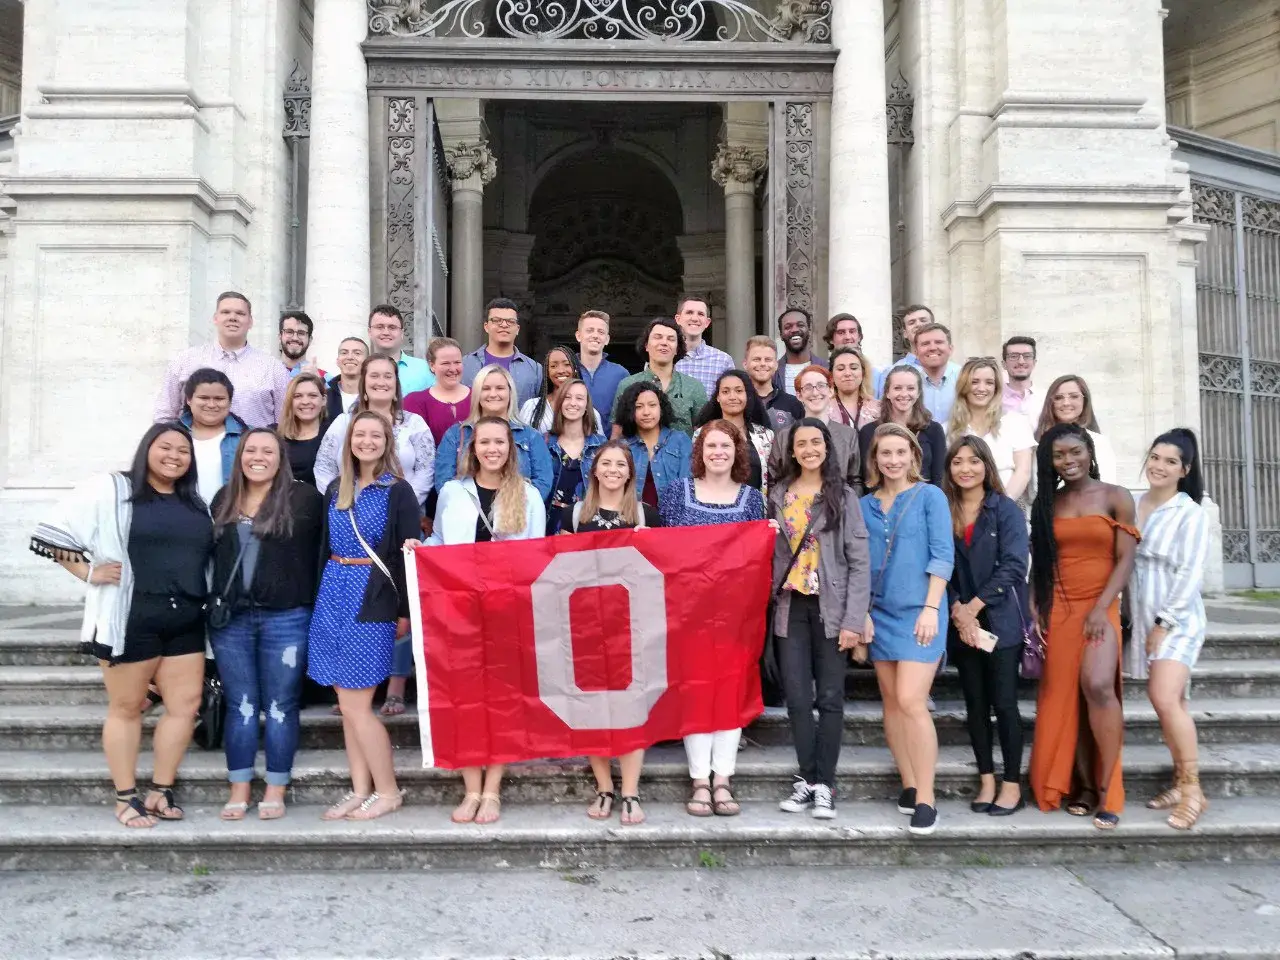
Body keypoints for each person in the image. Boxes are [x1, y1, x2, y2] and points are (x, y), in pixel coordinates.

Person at [30, 422, 214, 827]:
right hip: (131, 618)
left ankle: (161, 791)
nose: (174, 456)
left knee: (184, 708)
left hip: (185, 619)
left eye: (183, 450)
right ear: (147, 448)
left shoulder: (196, 504)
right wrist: (88, 572)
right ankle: (125, 797)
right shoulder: (113, 489)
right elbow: (55, 530)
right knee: (127, 707)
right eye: (165, 447)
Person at [429, 416, 546, 825]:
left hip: (506, 613)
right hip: (460, 612)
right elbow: (440, 543)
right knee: (464, 700)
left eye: (500, 442)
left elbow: (537, 559)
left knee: (501, 702)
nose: (493, 449)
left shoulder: (529, 495)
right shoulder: (451, 492)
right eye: (485, 442)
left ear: (510, 448)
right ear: (472, 448)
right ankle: (471, 788)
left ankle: (492, 790)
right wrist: (419, 547)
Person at [309, 411, 419, 821]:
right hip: (333, 592)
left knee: (357, 705)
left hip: (372, 598)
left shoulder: (399, 492)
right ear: (349, 440)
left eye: (376, 435)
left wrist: (404, 613)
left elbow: (409, 555)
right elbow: (324, 546)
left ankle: (388, 791)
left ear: (387, 442)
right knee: (345, 701)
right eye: (360, 434)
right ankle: (360, 789)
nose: (367, 441)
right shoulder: (337, 487)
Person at [208, 429, 324, 821]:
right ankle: (239, 786)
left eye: (268, 451)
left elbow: (323, 553)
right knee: (240, 705)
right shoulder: (223, 500)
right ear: (239, 456)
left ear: (281, 458)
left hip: (287, 617)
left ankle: (276, 786)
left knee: (279, 706)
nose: (258, 457)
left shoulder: (304, 499)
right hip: (231, 621)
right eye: (251, 450)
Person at [1028, 423, 1138, 830]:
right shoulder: (1047, 503)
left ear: (1089, 451)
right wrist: (1035, 603)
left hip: (1100, 605)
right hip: (1059, 606)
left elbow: (1125, 558)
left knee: (1097, 685)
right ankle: (1085, 787)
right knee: (1064, 698)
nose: (1068, 461)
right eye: (1059, 455)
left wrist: (1103, 606)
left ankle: (1110, 789)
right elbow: (1042, 561)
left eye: (1075, 452)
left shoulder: (1115, 496)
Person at [660, 420, 767, 818]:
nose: (718, 452)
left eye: (726, 445)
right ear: (700, 452)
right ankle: (699, 781)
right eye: (711, 445)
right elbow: (665, 550)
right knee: (696, 692)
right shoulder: (677, 494)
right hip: (688, 615)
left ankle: (723, 778)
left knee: (729, 692)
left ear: (737, 452)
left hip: (734, 616)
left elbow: (754, 557)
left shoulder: (752, 499)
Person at [770, 418, 870, 820]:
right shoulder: (778, 493)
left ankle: (826, 784)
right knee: (796, 697)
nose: (809, 449)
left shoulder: (843, 495)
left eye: (816, 442)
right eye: (801, 444)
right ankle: (807, 779)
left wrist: (854, 619)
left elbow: (860, 563)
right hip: (791, 606)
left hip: (831, 607)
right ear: (791, 451)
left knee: (830, 698)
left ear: (827, 447)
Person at [557, 440, 660, 825]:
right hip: (584, 625)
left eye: (621, 464)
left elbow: (663, 569)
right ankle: (604, 786)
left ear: (630, 472)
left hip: (633, 625)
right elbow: (558, 570)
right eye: (606, 463)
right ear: (594, 470)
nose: (613, 470)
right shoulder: (572, 516)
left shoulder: (648, 514)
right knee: (592, 709)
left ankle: (630, 791)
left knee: (632, 708)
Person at [860, 423, 954, 836]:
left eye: (901, 452)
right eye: (885, 453)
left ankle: (928, 798)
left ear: (913, 455)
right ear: (875, 459)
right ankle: (909, 782)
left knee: (912, 700)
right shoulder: (864, 504)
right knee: (891, 703)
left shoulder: (931, 496)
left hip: (922, 611)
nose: (893, 460)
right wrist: (860, 613)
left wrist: (932, 607)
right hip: (880, 613)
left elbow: (942, 555)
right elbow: (858, 563)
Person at [942, 435, 1029, 817]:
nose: (965, 468)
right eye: (957, 461)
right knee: (975, 705)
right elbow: (941, 563)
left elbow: (1014, 564)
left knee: (1005, 704)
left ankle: (1012, 783)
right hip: (962, 624)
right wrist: (958, 607)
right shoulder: (944, 509)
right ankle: (987, 779)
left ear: (986, 465)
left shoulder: (1004, 509)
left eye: (973, 461)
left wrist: (973, 606)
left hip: (1000, 622)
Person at [1131, 428, 1212, 831]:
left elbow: (1191, 573)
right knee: (1171, 703)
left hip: (1177, 618)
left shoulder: (1190, 512)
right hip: (1143, 614)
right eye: (1155, 457)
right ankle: (1180, 782)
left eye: (1170, 461)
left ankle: (1194, 789)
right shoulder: (1132, 503)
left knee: (1163, 697)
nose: (1159, 466)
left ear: (1185, 470)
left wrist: (1164, 623)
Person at [313, 355, 436, 513]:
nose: (381, 382)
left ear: (396, 384)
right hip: (349, 514)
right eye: (374, 376)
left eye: (388, 376)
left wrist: (401, 505)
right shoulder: (343, 423)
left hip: (403, 514)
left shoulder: (414, 423)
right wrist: (344, 503)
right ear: (364, 383)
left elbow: (426, 471)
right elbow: (324, 468)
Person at [155, 291, 290, 428]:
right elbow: (165, 415)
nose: (233, 317)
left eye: (240, 313)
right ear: (215, 318)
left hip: (252, 448)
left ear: (250, 321)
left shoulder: (273, 368)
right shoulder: (186, 361)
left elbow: (285, 423)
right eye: (226, 312)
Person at [434, 365, 555, 501]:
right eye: (485, 388)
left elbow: (543, 482)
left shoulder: (531, 437)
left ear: (510, 392)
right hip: (468, 516)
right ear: (477, 394)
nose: (493, 394)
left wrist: (509, 507)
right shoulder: (456, 434)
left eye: (500, 388)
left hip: (515, 516)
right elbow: (443, 482)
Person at [947, 358, 1035, 503]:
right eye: (974, 382)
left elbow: (1023, 471)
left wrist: (1001, 507)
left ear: (996, 387)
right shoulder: (949, 429)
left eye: (989, 382)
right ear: (964, 386)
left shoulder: (1016, 422)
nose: (982, 388)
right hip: (962, 510)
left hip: (1007, 507)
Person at [769, 365, 862, 492]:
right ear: (799, 395)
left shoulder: (848, 435)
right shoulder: (784, 436)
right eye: (807, 387)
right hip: (794, 508)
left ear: (831, 391)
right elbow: (774, 479)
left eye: (821, 385)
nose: (815, 392)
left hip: (839, 508)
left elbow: (855, 481)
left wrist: (850, 509)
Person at [612, 317, 708, 437]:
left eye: (671, 339)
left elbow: (703, 434)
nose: (664, 342)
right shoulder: (627, 385)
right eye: (658, 337)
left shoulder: (694, 387)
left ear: (677, 349)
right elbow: (617, 435)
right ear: (646, 345)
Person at [612, 381, 693, 510]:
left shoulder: (680, 440)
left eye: (652, 405)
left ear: (661, 408)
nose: (646, 412)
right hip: (633, 521)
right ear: (630, 411)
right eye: (639, 406)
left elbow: (689, 485)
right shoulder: (622, 447)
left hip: (674, 520)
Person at [860, 365, 947, 486]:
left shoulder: (934, 430)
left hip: (925, 501)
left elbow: (939, 478)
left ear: (918, 393)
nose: (904, 394)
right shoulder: (869, 432)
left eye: (910, 388)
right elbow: (869, 478)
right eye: (897, 388)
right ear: (887, 393)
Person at [693, 369, 773, 493]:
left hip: (756, 508)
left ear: (748, 395)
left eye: (739, 391)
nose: (732, 397)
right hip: (713, 506)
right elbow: (697, 472)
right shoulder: (702, 433)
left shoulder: (765, 435)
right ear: (718, 397)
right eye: (725, 392)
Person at [178, 367, 247, 508]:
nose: (211, 405)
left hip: (232, 518)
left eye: (219, 399)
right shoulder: (170, 435)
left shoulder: (248, 436)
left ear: (230, 401)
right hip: (182, 516)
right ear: (189, 400)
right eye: (203, 398)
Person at [545, 379, 607, 534]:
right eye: (567, 397)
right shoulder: (542, 442)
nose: (573, 403)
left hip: (587, 523)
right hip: (547, 523)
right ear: (559, 403)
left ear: (587, 406)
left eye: (579, 398)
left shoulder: (601, 445)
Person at [461, 297, 543, 406]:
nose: (504, 325)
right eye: (496, 320)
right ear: (486, 326)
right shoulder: (465, 364)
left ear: (517, 329)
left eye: (510, 321)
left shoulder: (534, 369)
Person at [1035, 375, 1118, 483]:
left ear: (1085, 400)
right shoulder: (1038, 442)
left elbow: (1108, 485)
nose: (1066, 403)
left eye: (1074, 396)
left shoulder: (1099, 442)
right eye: (1059, 398)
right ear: (1051, 403)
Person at [519, 344, 603, 434]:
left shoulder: (589, 411)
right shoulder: (532, 406)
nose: (560, 370)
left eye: (567, 364)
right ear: (547, 372)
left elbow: (599, 445)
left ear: (575, 369)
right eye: (553, 366)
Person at [873, 304, 954, 396]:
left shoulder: (956, 373)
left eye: (923, 320)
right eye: (912, 322)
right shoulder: (890, 372)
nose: (918, 324)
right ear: (905, 333)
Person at [403, 337, 472, 446]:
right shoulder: (414, 402)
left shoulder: (479, 397)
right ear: (432, 365)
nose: (453, 369)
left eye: (457, 362)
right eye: (445, 363)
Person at [574, 309, 631, 436]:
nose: (595, 335)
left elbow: (627, 416)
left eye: (601, 332)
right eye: (589, 330)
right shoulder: (568, 371)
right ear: (578, 336)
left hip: (610, 448)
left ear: (607, 339)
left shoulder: (621, 374)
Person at [673, 295, 734, 396]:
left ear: (707, 322)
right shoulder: (663, 358)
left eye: (700, 314)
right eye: (689, 312)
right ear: (678, 319)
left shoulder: (723, 361)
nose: (695, 318)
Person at [367, 304, 434, 395]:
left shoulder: (425, 370)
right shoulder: (360, 369)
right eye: (379, 327)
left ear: (402, 333)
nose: (386, 332)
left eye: (392, 327)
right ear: (369, 332)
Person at [744, 334, 805, 431]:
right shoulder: (738, 401)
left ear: (776, 365)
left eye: (768, 359)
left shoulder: (793, 404)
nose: (763, 364)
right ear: (745, 364)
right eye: (757, 359)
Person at [279, 372, 328, 486]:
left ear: (324, 400)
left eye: (312, 395)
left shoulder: (333, 434)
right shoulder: (276, 435)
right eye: (298, 396)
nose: (305, 402)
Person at [912, 323, 959, 426]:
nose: (932, 348)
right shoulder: (909, 382)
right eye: (925, 344)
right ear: (916, 352)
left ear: (950, 349)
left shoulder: (964, 377)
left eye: (939, 342)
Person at [827, 346, 882, 430]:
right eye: (841, 369)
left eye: (854, 368)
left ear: (863, 373)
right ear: (831, 375)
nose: (847, 373)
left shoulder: (879, 408)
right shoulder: (823, 408)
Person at [774, 308, 827, 396]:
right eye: (788, 327)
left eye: (800, 325)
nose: (795, 330)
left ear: (809, 331)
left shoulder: (827, 368)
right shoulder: (773, 372)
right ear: (781, 335)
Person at [325, 337, 369, 420]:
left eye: (357, 353)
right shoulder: (324, 398)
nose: (350, 357)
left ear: (367, 362)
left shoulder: (375, 397)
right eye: (344, 353)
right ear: (337, 361)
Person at [1001, 336, 1041, 421]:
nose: (1021, 362)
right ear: (1004, 364)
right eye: (1014, 356)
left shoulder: (1046, 399)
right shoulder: (994, 399)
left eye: (1027, 356)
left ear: (1034, 363)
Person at [279, 310, 323, 379]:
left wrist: (318, 383)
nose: (295, 338)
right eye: (289, 332)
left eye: (301, 333)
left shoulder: (324, 378)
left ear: (310, 339)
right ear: (280, 336)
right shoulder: (265, 373)